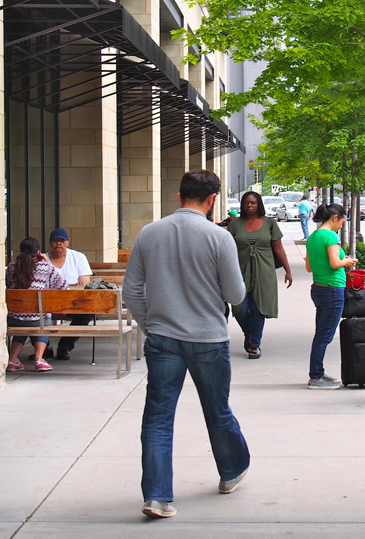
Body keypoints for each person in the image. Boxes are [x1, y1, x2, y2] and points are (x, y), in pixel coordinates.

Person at [122, 170, 249, 519]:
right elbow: (236, 294)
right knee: (217, 410)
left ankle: (158, 496)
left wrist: (151, 325)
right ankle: (232, 470)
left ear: (179, 197)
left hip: (163, 337)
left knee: (158, 417)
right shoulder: (219, 238)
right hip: (208, 337)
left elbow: (131, 290)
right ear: (211, 201)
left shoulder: (149, 233)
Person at [227, 191, 292, 359]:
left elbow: (278, 248)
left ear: (259, 205)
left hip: (264, 271)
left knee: (258, 308)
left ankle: (255, 344)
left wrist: (288, 270)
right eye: (246, 203)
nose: (249, 205)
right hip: (239, 270)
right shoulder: (235, 225)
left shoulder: (269, 223)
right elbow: (227, 250)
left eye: (253, 203)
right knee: (239, 308)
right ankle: (248, 332)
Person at [304, 203, 358, 390]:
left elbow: (309, 267)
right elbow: (336, 263)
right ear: (335, 217)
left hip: (318, 288)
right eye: (343, 221)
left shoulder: (312, 237)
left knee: (320, 334)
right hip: (333, 290)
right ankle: (316, 378)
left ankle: (318, 372)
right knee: (324, 336)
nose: (343, 225)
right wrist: (348, 261)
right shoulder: (330, 236)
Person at [5, 237, 67, 373]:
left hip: (15, 318)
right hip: (38, 318)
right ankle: (39, 359)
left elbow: (9, 285)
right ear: (38, 252)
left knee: (24, 320)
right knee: (41, 319)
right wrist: (47, 262)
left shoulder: (11, 267)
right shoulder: (44, 266)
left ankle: (12, 359)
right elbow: (63, 285)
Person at [46, 228, 92, 360]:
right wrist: (70, 285)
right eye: (55, 241)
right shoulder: (43, 259)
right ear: (50, 243)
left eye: (62, 241)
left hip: (74, 302)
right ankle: (45, 347)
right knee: (31, 314)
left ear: (67, 242)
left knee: (86, 314)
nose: (58, 244)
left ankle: (64, 346)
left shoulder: (78, 257)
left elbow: (84, 285)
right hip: (48, 302)